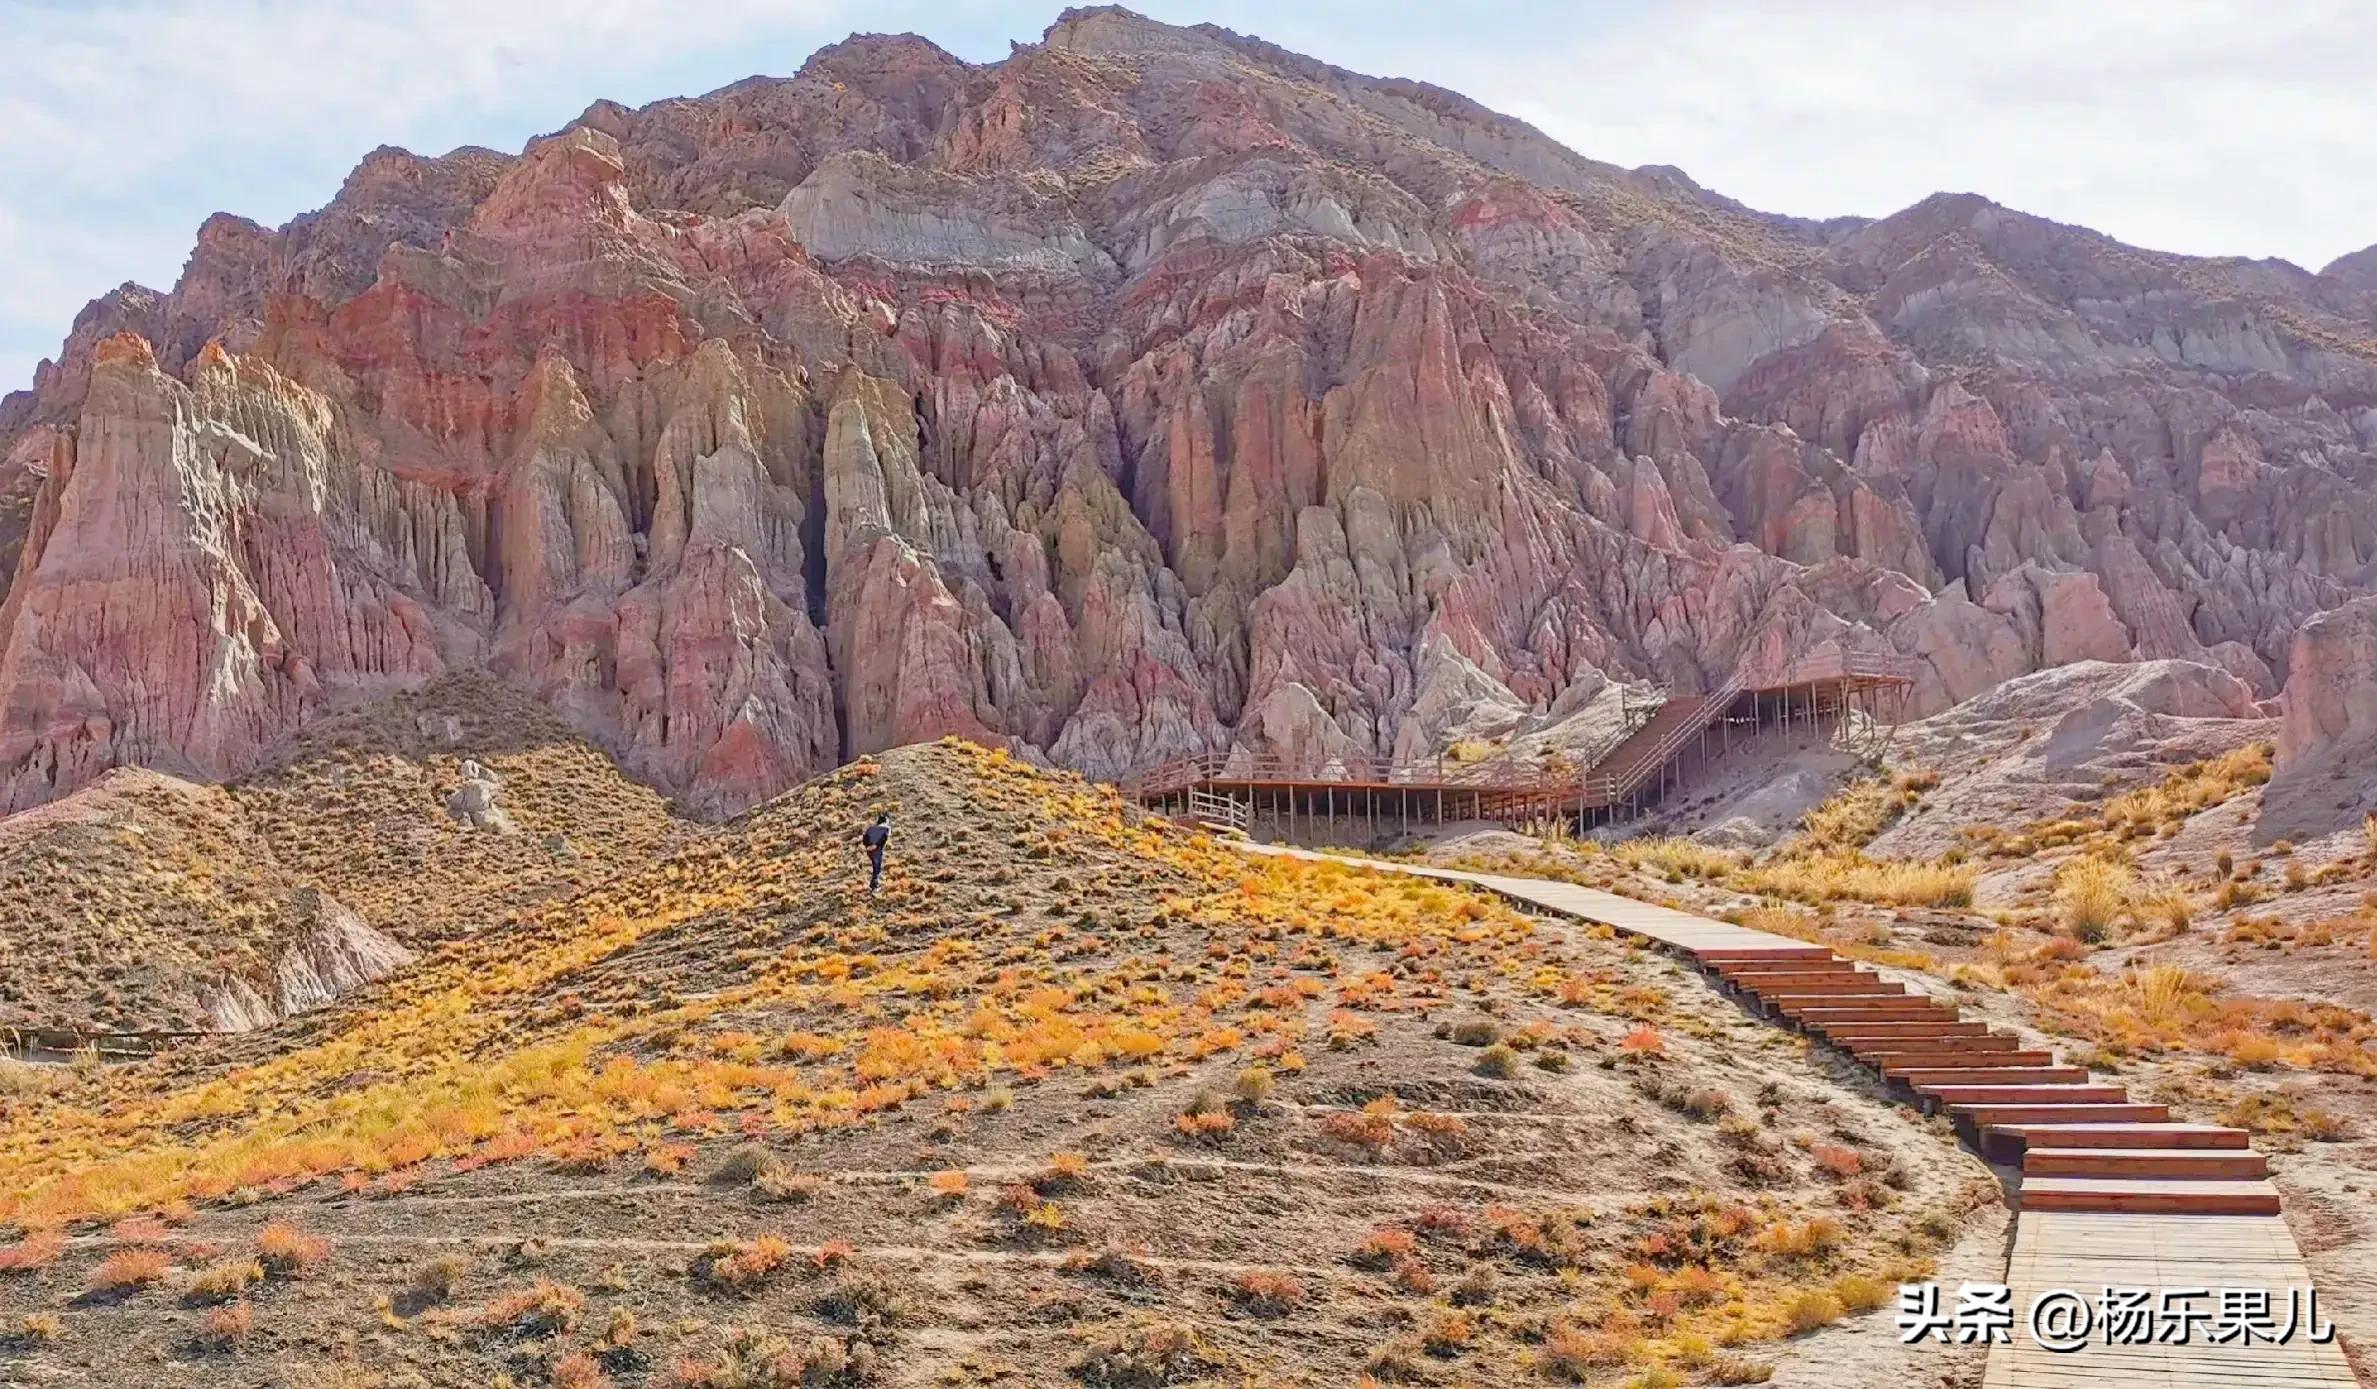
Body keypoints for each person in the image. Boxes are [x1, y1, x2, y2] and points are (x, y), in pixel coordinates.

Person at [860, 812, 891, 892]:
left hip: (870, 850)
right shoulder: (886, 829)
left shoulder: (871, 829)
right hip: (876, 849)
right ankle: (874, 885)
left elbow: (865, 837)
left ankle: (874, 884)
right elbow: (883, 839)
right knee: (877, 867)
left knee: (875, 866)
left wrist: (867, 846)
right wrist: (876, 845)